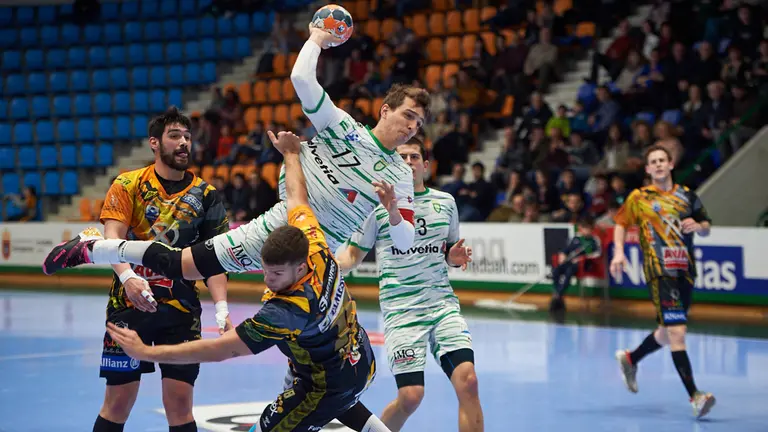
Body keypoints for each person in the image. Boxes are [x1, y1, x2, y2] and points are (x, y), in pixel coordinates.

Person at [42, 27, 430, 321]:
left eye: (419, 123)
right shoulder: (341, 126)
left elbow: (405, 236)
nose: (412, 127)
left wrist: (393, 210)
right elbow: (301, 80)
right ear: (385, 110)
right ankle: (94, 247)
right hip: (279, 229)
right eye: (408, 115)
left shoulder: (398, 173)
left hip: (315, 255)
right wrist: (315, 39)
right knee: (182, 267)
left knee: (310, 335)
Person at [103, 130, 391, 432]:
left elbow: (220, 350)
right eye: (265, 271)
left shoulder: (287, 309)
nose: (268, 280)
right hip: (359, 360)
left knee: (311, 408)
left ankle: (97, 249)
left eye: (277, 275)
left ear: (299, 266)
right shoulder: (312, 240)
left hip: (324, 384)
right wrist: (292, 155)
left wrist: (147, 353)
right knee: (337, 396)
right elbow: (296, 197)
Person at [92, 107, 231, 432]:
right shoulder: (127, 184)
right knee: (117, 403)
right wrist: (127, 277)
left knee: (180, 406)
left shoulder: (206, 195)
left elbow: (216, 258)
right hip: (127, 310)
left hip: (181, 315)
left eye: (187, 137)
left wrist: (222, 310)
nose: (184, 143)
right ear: (154, 143)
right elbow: (112, 237)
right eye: (174, 136)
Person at [336, 138, 483, 432]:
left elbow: (450, 253)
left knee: (468, 381)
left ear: (425, 165)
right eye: (401, 156)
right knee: (411, 397)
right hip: (402, 312)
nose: (408, 161)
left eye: (414, 156)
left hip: (442, 306)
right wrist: (323, 263)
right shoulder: (376, 209)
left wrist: (453, 257)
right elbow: (352, 254)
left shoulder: (446, 203)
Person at [610, 144, 715, 418]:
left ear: (670, 165)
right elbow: (620, 223)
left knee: (667, 332)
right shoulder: (639, 197)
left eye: (662, 160)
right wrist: (619, 252)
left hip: (685, 270)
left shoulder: (686, 196)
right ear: (647, 169)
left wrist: (698, 226)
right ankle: (695, 396)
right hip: (660, 271)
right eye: (652, 161)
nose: (657, 165)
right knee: (677, 332)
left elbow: (706, 225)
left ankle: (631, 359)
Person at [548, 216, 602, 312]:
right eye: (583, 228)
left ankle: (557, 296)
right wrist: (563, 255)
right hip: (570, 262)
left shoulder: (594, 240)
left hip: (585, 265)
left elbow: (598, 254)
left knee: (569, 271)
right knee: (556, 270)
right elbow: (566, 249)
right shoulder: (576, 238)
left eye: (588, 228)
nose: (585, 230)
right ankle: (559, 296)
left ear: (592, 228)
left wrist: (582, 258)